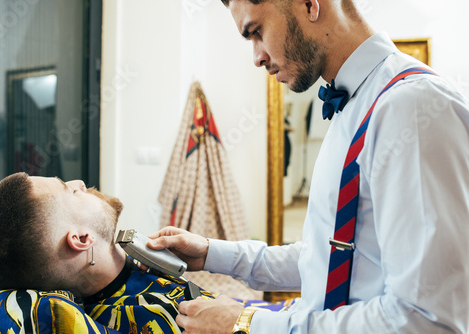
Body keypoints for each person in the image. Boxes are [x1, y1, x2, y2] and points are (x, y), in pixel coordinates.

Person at [147, 0, 469, 333]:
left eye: (256, 31)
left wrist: (246, 323)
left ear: (310, 5)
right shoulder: (353, 104)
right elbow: (328, 258)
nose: (257, 57)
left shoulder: (412, 107)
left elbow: (427, 321)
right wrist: (210, 253)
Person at [0, 173, 289, 333]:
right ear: (81, 238)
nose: (80, 182)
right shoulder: (150, 317)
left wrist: (208, 253)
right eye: (71, 191)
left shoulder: (131, 262)